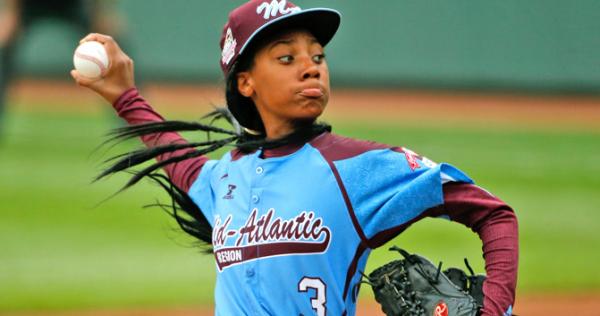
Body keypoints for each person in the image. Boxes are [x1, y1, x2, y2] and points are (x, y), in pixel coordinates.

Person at [71, 1, 519, 315]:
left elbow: (494, 213)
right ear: (245, 83)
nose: (311, 66)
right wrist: (125, 96)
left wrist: (494, 310)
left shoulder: (356, 168)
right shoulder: (225, 178)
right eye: (287, 57)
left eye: (318, 56)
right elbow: (182, 163)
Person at [0, 0, 124, 132]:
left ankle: (130, 117)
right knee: (3, 48)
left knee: (111, 45)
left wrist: (102, 13)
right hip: (28, 4)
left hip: (73, 4)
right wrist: (10, 12)